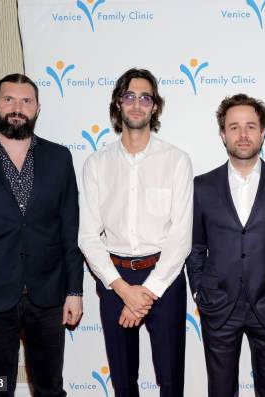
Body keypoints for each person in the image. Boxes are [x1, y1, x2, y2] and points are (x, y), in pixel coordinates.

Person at [0, 73, 83, 396]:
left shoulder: (59, 158)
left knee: (50, 388)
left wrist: (74, 289)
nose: (17, 107)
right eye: (9, 99)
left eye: (26, 101)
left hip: (48, 297)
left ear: (37, 109)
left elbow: (70, 230)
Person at [78, 68, 193, 397]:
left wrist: (147, 291)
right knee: (123, 381)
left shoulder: (176, 161)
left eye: (146, 98)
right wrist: (123, 289)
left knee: (171, 380)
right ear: (118, 103)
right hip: (114, 281)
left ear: (155, 106)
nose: (138, 104)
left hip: (165, 281)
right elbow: (87, 236)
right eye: (130, 96)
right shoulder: (97, 164)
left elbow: (181, 236)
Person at [185, 94, 265, 397]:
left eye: (251, 126)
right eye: (234, 127)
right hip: (219, 304)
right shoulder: (202, 186)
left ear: (263, 132)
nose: (243, 134)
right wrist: (199, 288)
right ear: (223, 134)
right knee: (221, 390)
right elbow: (195, 246)